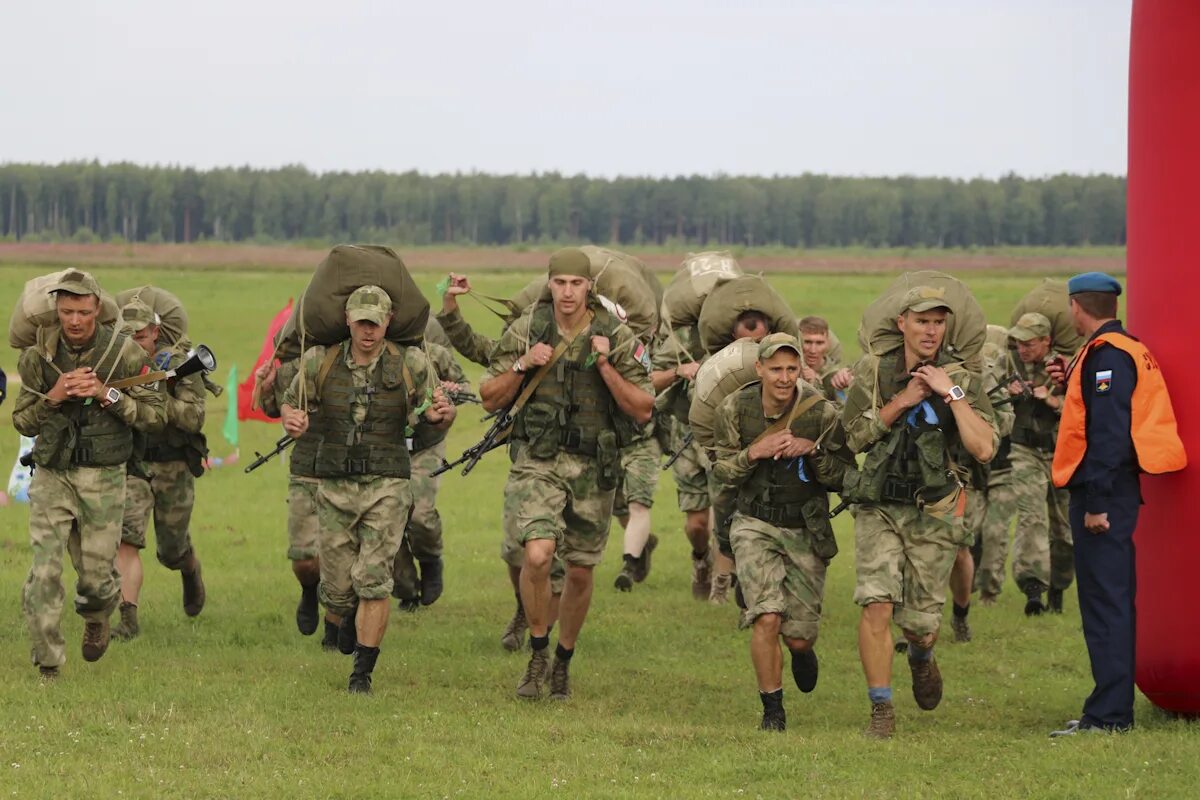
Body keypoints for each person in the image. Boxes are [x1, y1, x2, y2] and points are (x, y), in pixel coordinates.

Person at [481, 247, 653, 700]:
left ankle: (563, 659)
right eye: (560, 283)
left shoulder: (615, 334)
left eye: (577, 283)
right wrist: (524, 365)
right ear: (550, 284)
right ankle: (538, 649)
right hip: (539, 461)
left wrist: (605, 365)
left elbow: (642, 406)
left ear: (589, 287)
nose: (568, 292)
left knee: (579, 571)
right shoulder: (528, 329)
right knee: (537, 555)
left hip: (594, 468)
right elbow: (489, 396)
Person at [280, 285, 455, 693]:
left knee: (375, 580)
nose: (368, 331)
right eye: (361, 322)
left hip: (387, 483)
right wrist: (293, 419)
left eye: (375, 324)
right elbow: (291, 402)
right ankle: (345, 613)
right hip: (335, 485)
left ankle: (362, 674)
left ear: (388, 322)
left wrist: (439, 414)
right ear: (348, 320)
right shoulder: (318, 362)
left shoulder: (410, 362)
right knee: (338, 593)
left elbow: (435, 412)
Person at [842, 286, 997, 739]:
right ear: (901, 324)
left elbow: (984, 448)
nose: (930, 330)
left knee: (921, 625)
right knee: (875, 603)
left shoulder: (963, 376)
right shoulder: (873, 371)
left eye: (938, 321)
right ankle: (881, 710)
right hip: (880, 504)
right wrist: (903, 401)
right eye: (922, 320)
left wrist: (950, 392)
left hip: (937, 509)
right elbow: (850, 440)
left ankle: (922, 654)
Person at [1047, 272, 1185, 736]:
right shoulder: (1123, 348)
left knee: (1106, 604)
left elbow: (1108, 435)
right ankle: (1109, 707)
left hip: (1104, 493)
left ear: (1075, 307)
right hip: (1115, 488)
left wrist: (1098, 505)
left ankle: (1108, 716)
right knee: (1112, 601)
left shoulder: (1108, 357)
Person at [12, 269, 166, 678]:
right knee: (43, 573)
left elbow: (155, 416)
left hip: (104, 476)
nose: (74, 321)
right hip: (52, 474)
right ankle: (48, 665)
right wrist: (55, 396)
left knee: (97, 578)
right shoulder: (36, 357)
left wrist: (106, 394)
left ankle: (97, 615)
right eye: (66, 312)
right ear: (56, 311)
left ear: (98, 309)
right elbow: (21, 421)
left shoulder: (125, 354)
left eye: (82, 311)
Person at [711, 333, 854, 731]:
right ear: (759, 369)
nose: (784, 377)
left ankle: (802, 652)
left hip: (804, 526)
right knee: (766, 616)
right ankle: (772, 710)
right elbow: (720, 471)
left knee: (799, 636)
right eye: (776, 368)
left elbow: (846, 476)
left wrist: (813, 450)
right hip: (753, 523)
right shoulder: (734, 409)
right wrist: (753, 452)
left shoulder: (820, 413)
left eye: (792, 369)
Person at [433, 272, 565, 651]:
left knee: (557, 556)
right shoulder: (521, 346)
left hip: (578, 463)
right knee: (515, 549)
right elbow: (473, 346)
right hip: (528, 459)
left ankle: (544, 642)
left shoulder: (594, 345)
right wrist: (450, 302)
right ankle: (525, 609)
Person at [114, 298, 208, 640]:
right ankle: (128, 619)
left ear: (154, 332)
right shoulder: (115, 363)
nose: (134, 343)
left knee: (170, 551)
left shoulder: (179, 364)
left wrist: (156, 394)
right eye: (127, 337)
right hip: (133, 463)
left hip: (173, 464)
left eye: (140, 336)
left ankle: (189, 567)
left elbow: (195, 417)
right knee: (127, 539)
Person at [257, 349, 334, 647]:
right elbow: (275, 408)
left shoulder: (366, 359)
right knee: (303, 557)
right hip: (306, 468)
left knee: (340, 560)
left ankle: (335, 626)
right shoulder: (299, 364)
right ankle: (309, 590)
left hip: (349, 472)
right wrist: (267, 388)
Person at [390, 337, 469, 610]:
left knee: (420, 514)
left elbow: (465, 387)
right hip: (384, 449)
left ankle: (430, 559)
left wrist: (451, 393)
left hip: (426, 445)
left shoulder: (434, 354)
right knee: (388, 519)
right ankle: (406, 589)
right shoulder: (369, 355)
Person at [1005, 312, 1074, 616]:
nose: (1023, 349)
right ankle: (1033, 589)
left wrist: (1053, 400)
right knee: (1032, 517)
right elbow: (984, 395)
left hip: (1061, 454)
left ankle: (1058, 586)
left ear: (1047, 341)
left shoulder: (1065, 367)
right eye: (1019, 342)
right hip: (1024, 451)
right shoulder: (1008, 363)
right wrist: (1008, 394)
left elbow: (1084, 407)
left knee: (1063, 530)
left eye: (1029, 343)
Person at [798, 316, 853, 403]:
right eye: (808, 342)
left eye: (819, 343)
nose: (813, 350)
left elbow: (843, 411)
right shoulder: (790, 370)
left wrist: (815, 384)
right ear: (799, 342)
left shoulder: (835, 377)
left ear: (828, 343)